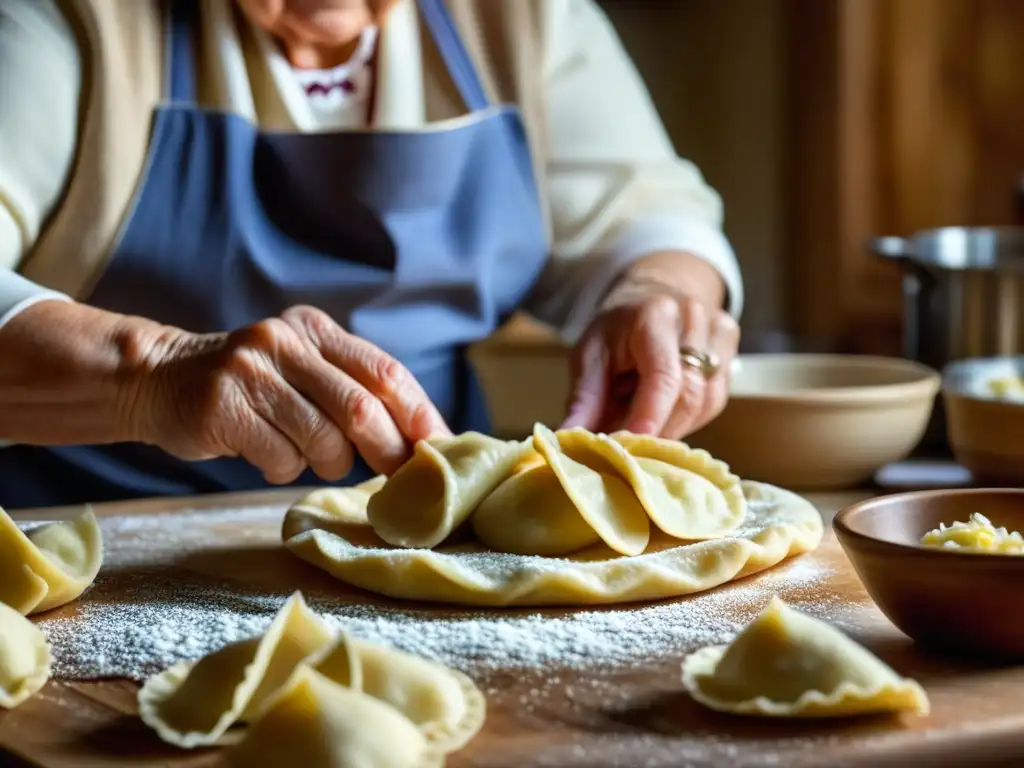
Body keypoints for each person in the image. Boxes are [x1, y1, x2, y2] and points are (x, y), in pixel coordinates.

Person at [0, 0, 743, 508]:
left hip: (441, 539)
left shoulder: (521, 18)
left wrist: (653, 294)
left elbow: (642, 217)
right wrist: (151, 376)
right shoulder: (69, 21)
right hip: (96, 548)